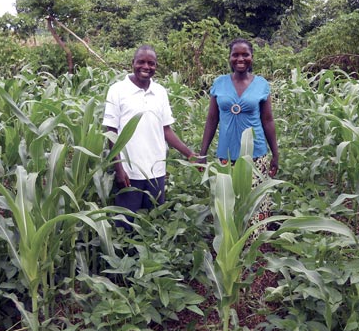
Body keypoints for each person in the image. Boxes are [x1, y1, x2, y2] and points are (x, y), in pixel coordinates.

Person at [103, 45, 195, 229]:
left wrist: (190, 154)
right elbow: (111, 132)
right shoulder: (117, 90)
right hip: (130, 171)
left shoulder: (160, 91)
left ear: (156, 66)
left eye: (151, 63)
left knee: (154, 224)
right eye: (141, 62)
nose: (146, 66)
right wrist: (119, 169)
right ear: (133, 64)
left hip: (156, 170)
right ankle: (126, 258)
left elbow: (166, 130)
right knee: (126, 226)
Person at [199, 38, 279, 222]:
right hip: (226, 156)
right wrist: (202, 153)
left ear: (252, 57)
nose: (240, 59)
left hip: (255, 155)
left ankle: (254, 246)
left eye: (245, 54)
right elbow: (212, 119)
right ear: (229, 57)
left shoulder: (261, 84)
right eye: (235, 54)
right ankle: (232, 246)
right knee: (227, 203)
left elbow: (267, 120)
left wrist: (275, 154)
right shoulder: (219, 83)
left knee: (255, 203)